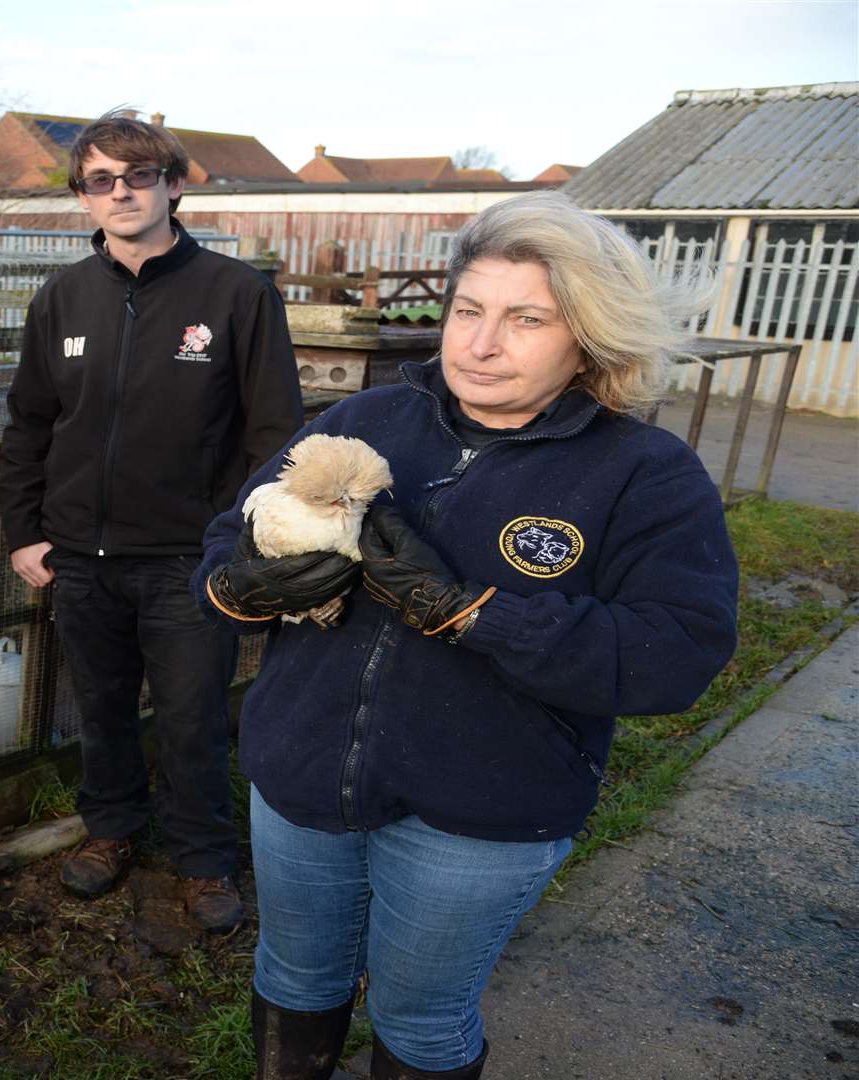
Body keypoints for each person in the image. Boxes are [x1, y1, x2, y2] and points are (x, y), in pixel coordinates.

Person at [196, 190, 738, 1079]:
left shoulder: (645, 472)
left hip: (480, 818)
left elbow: (675, 657)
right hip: (300, 777)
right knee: (295, 976)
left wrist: (471, 610)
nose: (480, 344)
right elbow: (233, 532)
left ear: (589, 337)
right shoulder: (364, 421)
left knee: (420, 1018)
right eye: (469, 311)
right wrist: (241, 583)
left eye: (526, 319)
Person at [0, 111, 304, 933]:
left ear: (174, 185)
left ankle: (203, 859)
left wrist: (237, 543)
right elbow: (29, 423)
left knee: (191, 715)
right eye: (102, 180)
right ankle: (111, 830)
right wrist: (24, 531)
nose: (121, 192)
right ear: (84, 198)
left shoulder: (237, 295)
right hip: (81, 557)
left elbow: (275, 434)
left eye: (138, 176)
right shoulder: (62, 297)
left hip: (187, 560)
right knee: (98, 707)